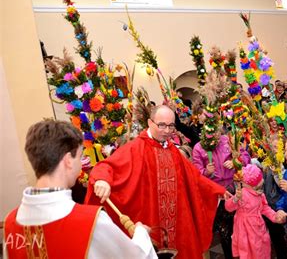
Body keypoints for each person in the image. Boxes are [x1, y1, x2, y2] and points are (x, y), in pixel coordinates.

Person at [85, 105, 229, 259]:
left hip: (179, 223)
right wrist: (102, 179)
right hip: (151, 222)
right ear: (149, 122)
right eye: (161, 125)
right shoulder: (136, 147)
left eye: (171, 126)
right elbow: (107, 166)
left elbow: (194, 177)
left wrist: (217, 189)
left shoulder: (173, 150)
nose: (167, 131)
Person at [3, 120, 156, 258]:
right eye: (80, 157)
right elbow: (136, 256)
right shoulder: (91, 222)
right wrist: (141, 233)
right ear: (68, 161)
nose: (81, 165)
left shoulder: (11, 222)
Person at [192, 127, 251, 259]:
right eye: (211, 132)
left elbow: (246, 157)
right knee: (225, 230)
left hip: (236, 188)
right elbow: (195, 174)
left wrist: (236, 161)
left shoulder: (229, 141)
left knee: (241, 225)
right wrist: (206, 171)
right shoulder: (198, 148)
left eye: (217, 132)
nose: (215, 136)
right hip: (216, 193)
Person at [224, 164, 287, 259]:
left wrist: (275, 217)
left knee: (260, 249)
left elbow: (264, 208)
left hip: (258, 228)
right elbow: (228, 207)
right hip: (245, 229)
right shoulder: (242, 194)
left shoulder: (259, 194)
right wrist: (236, 198)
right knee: (249, 251)